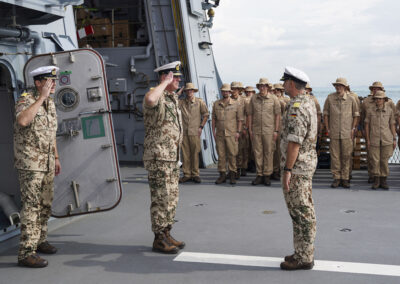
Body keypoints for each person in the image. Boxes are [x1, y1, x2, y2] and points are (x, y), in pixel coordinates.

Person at [14, 66, 61, 268]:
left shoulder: (50, 103)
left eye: (54, 81)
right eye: (49, 81)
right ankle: (26, 252)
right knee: (31, 206)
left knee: (45, 204)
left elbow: (51, 132)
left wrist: (56, 157)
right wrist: (40, 98)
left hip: (48, 161)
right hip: (31, 163)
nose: (54, 85)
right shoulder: (26, 99)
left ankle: (40, 240)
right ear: (38, 83)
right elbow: (23, 120)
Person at [143, 61, 185, 254]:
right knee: (161, 198)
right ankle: (158, 238)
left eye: (177, 77)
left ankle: (167, 232)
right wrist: (163, 83)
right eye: (173, 76)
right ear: (164, 77)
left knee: (171, 198)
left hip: (171, 157)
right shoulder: (156, 95)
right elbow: (151, 100)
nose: (178, 79)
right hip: (159, 157)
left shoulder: (170, 98)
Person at [279, 66, 317, 270]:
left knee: (301, 212)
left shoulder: (297, 107)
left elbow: (294, 143)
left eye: (285, 82)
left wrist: (287, 170)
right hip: (305, 165)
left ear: (292, 84)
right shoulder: (308, 102)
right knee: (303, 210)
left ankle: (304, 257)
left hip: (298, 168)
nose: (283, 85)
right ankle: (302, 251)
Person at [323, 78, 359, 188]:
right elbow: (326, 114)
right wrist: (328, 129)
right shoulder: (330, 98)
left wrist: (353, 129)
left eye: (340, 85)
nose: (338, 87)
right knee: (335, 156)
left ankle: (345, 178)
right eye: (337, 85)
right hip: (334, 132)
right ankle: (337, 178)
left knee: (346, 156)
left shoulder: (351, 99)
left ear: (344, 87)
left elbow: (356, 115)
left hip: (347, 133)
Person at [247, 78, 281, 186]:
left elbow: (277, 116)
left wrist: (276, 130)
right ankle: (259, 175)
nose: (262, 88)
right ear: (258, 87)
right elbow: (250, 114)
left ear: (267, 87)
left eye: (264, 86)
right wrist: (250, 130)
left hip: (269, 130)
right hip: (256, 130)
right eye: (260, 86)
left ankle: (267, 175)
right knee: (257, 153)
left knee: (269, 152)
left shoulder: (274, 99)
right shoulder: (253, 98)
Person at [361, 81, 396, 183]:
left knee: (384, 160)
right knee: (374, 159)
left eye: (380, 98)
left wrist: (394, 138)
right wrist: (366, 138)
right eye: (377, 98)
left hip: (386, 138)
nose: (378, 100)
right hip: (373, 137)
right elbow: (364, 121)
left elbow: (392, 124)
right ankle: (375, 178)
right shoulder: (368, 106)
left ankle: (383, 179)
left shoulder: (389, 107)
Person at [212, 83, 243, 184]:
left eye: (227, 91)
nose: (225, 92)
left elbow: (240, 120)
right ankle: (222, 175)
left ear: (230, 92)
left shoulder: (235, 104)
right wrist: (213, 131)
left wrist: (238, 132)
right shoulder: (216, 104)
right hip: (220, 133)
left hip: (232, 134)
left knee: (232, 154)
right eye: (223, 91)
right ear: (221, 92)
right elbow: (213, 119)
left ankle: (232, 174)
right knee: (221, 155)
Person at [179, 82, 209, 183]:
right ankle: (187, 174)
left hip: (195, 131)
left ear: (193, 91)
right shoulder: (181, 102)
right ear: (185, 91)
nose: (189, 92)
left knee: (195, 153)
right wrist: (178, 92)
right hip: (184, 132)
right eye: (187, 90)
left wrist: (201, 127)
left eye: (191, 90)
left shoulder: (199, 102)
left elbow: (205, 115)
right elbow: (172, 101)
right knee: (185, 154)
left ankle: (195, 174)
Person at [272, 83, 287, 180]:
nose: (276, 91)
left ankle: (280, 170)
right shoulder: (271, 99)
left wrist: (279, 100)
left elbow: (286, 109)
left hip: (282, 127)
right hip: (270, 126)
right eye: (275, 90)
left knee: (280, 150)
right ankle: (272, 170)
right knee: (272, 150)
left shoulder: (285, 99)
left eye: (278, 90)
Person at [230, 81, 246, 178]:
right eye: (232, 89)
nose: (234, 91)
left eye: (236, 89)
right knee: (231, 151)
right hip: (230, 128)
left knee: (240, 150)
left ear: (239, 90)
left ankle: (240, 168)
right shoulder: (228, 100)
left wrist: (245, 128)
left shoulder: (243, 101)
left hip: (241, 127)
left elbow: (248, 114)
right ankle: (232, 170)